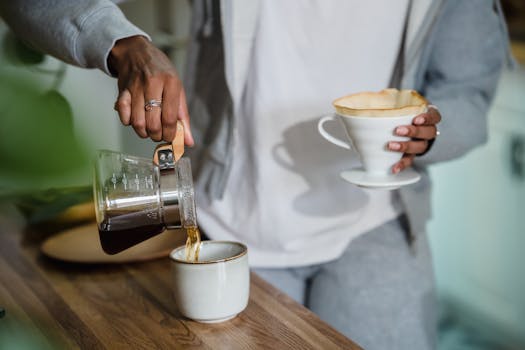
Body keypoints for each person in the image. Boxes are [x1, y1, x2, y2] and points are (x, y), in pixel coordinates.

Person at [0, 1, 510, 349]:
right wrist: (122, 42)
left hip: (374, 227)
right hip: (229, 222)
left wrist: (431, 132)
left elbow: (468, 90)